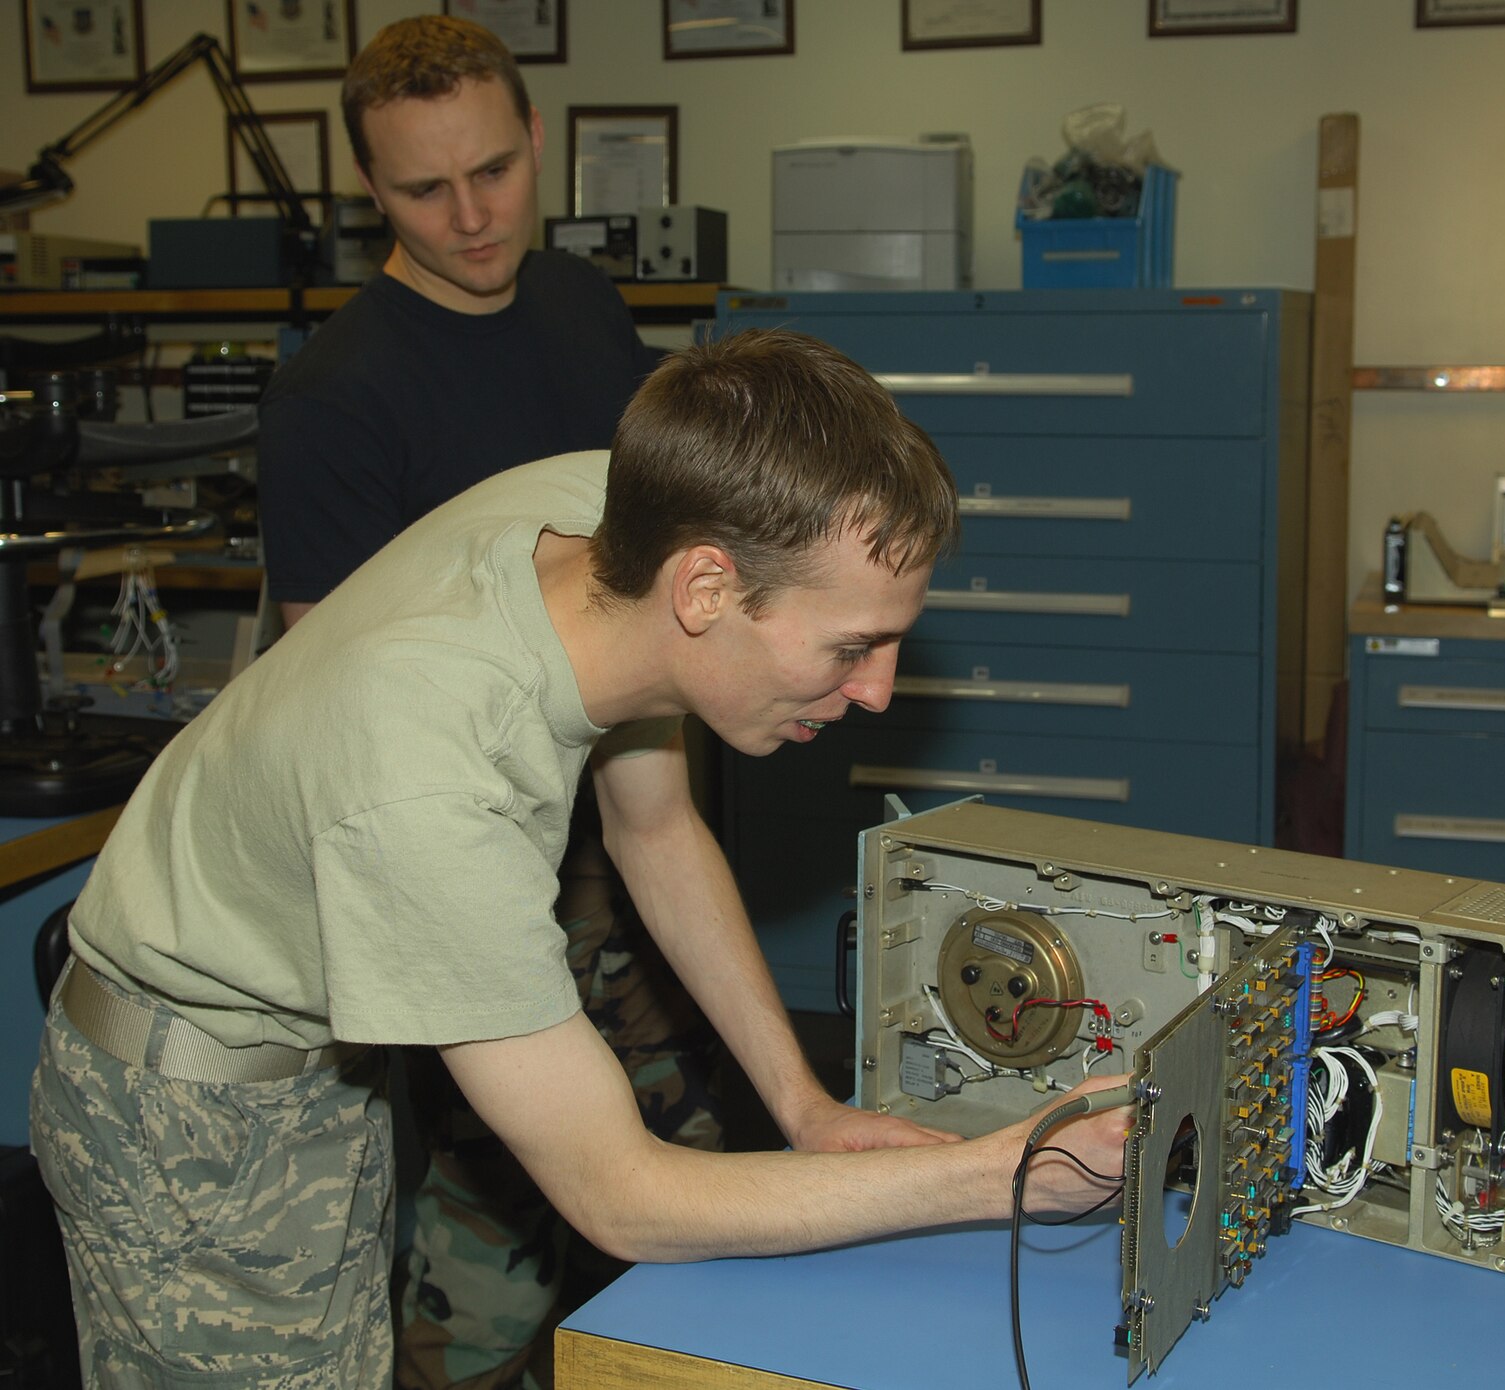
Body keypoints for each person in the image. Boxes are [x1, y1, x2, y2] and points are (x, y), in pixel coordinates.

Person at [30, 329, 1131, 1388]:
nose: (878, 690)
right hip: (195, 1115)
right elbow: (620, 1196)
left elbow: (653, 830)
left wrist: (804, 1107)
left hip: (313, 1066)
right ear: (705, 590)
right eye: (852, 645)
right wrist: (1006, 1172)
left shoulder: (611, 519)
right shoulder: (427, 776)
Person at [255, 19, 712, 1387]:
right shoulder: (334, 396)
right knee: (497, 1231)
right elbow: (347, 716)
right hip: (470, 858)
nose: (470, 218)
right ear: (367, 191)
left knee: (687, 1171)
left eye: (496, 173)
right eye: (422, 189)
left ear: (535, 139)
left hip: (618, 810)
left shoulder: (580, 305)